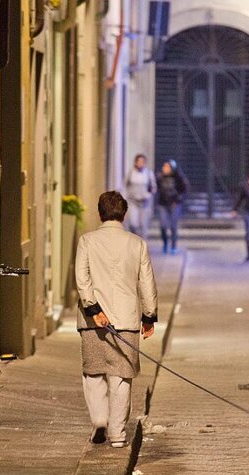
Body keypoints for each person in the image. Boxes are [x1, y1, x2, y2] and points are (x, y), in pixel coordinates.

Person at [75, 191, 158, 448]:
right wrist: (149, 316)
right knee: (121, 376)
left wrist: (93, 309)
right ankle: (117, 434)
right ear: (124, 214)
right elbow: (147, 283)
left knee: (93, 372)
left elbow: (82, 279)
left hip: (92, 322)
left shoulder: (87, 241)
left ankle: (99, 419)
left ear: (100, 213)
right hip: (126, 320)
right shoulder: (137, 244)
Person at [156, 160, 190, 254]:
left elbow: (185, 190)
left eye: (167, 167)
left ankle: (174, 245)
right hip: (163, 203)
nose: (165, 169)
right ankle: (165, 243)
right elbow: (156, 188)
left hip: (175, 204)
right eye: (164, 166)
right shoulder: (160, 177)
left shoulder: (178, 177)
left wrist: (178, 200)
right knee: (163, 225)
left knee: (173, 225)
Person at [122, 153, 157, 239]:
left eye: (143, 162)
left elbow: (153, 187)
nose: (141, 163)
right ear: (135, 162)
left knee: (143, 224)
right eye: (139, 161)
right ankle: (134, 238)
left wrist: (148, 195)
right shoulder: (130, 173)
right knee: (133, 222)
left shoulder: (148, 173)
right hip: (133, 200)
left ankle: (143, 242)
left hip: (144, 202)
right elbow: (124, 186)